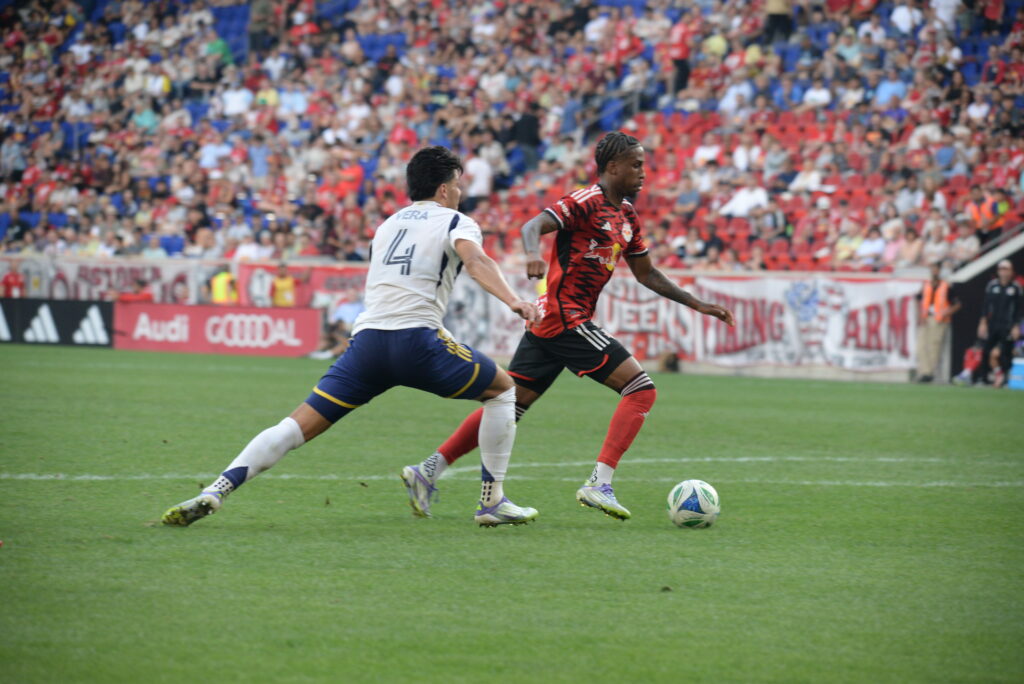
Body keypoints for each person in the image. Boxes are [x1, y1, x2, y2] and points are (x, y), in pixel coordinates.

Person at [162, 147, 542, 527]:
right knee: (503, 390)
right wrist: (513, 300)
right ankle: (492, 502)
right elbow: (476, 261)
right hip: (417, 344)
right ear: (444, 190)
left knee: (294, 426)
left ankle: (215, 489)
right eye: (457, 184)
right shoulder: (456, 221)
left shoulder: (387, 226)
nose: (460, 192)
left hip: (367, 346)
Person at [401, 133, 735, 521]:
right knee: (640, 389)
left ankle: (428, 471)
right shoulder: (585, 201)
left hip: (553, 322)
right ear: (613, 167)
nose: (644, 173)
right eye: (636, 165)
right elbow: (532, 227)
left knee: (509, 406)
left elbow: (646, 273)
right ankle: (599, 483)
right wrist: (531, 256)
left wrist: (697, 304)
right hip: (565, 316)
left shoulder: (627, 216)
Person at [965, 260, 1023, 388]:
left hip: (1008, 325)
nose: (1003, 272)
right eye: (1001, 269)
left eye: (1006, 269)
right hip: (993, 324)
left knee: (1006, 353)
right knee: (985, 350)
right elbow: (986, 305)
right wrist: (983, 321)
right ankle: (983, 378)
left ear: (1011, 271)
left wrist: (1016, 325)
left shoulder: (1015, 287)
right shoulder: (992, 286)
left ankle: (1007, 379)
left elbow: (1019, 309)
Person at [915, 262, 960, 383]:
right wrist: (920, 315)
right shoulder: (926, 285)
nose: (934, 272)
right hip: (926, 318)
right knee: (921, 346)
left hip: (939, 319)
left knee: (933, 346)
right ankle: (923, 371)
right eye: (932, 269)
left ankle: (929, 373)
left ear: (939, 271)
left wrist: (946, 313)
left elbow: (957, 304)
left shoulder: (946, 286)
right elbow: (919, 299)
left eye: (936, 269)